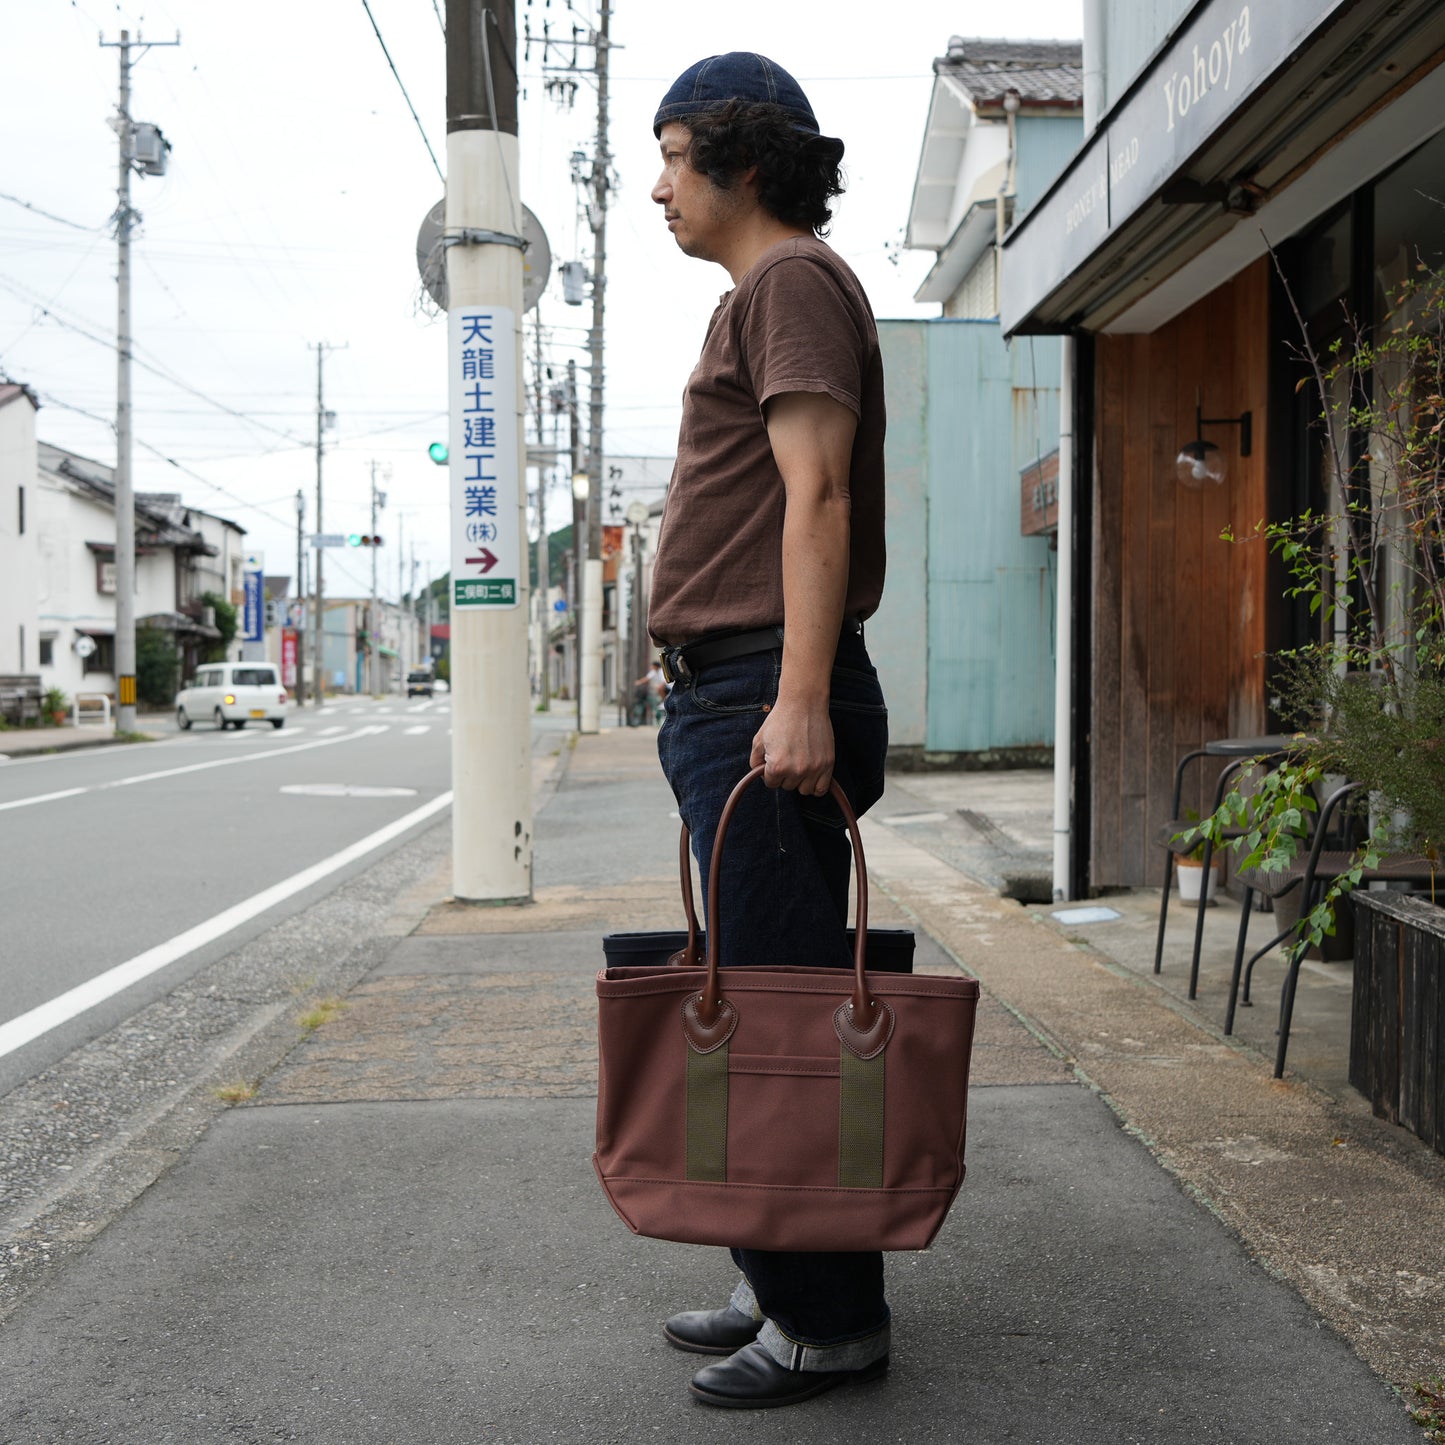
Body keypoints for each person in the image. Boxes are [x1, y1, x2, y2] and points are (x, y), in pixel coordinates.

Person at [645, 53, 890, 1409]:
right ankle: (779, 1272)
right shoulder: (767, 292)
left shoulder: (789, 283)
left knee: (785, 1010)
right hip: (735, 688)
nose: (659, 187)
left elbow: (817, 496)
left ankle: (827, 1318)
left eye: (676, 156)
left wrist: (795, 695)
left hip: (762, 690)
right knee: (768, 989)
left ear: (744, 160)